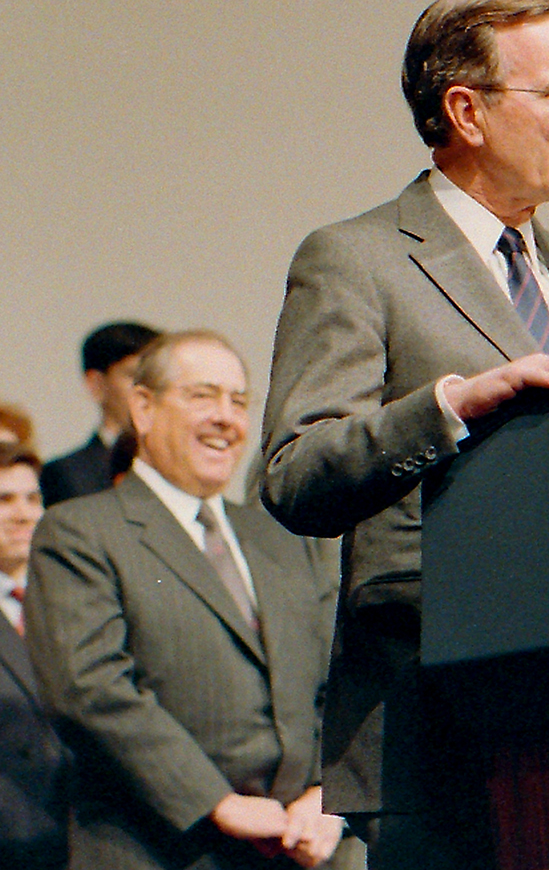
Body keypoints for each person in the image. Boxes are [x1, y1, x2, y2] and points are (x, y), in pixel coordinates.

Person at [260, 0, 549, 869]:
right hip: (434, 730)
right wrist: (448, 408)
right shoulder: (358, 258)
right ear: (465, 110)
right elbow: (294, 471)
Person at [25, 330, 347, 869]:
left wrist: (327, 792)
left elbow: (340, 676)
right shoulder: (79, 532)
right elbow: (89, 689)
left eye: (239, 401)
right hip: (159, 849)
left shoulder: (285, 538)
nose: (226, 417)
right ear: (143, 408)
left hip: (303, 846)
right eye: (202, 395)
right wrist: (216, 803)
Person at [0, 442, 72, 869]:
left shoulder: (74, 597)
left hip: (83, 835)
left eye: (33, 498)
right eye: (4, 500)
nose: (24, 514)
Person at [40, 321, 161, 506]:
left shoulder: (183, 462)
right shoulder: (67, 474)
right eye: (135, 377)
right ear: (96, 383)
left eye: (155, 378)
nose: (148, 390)